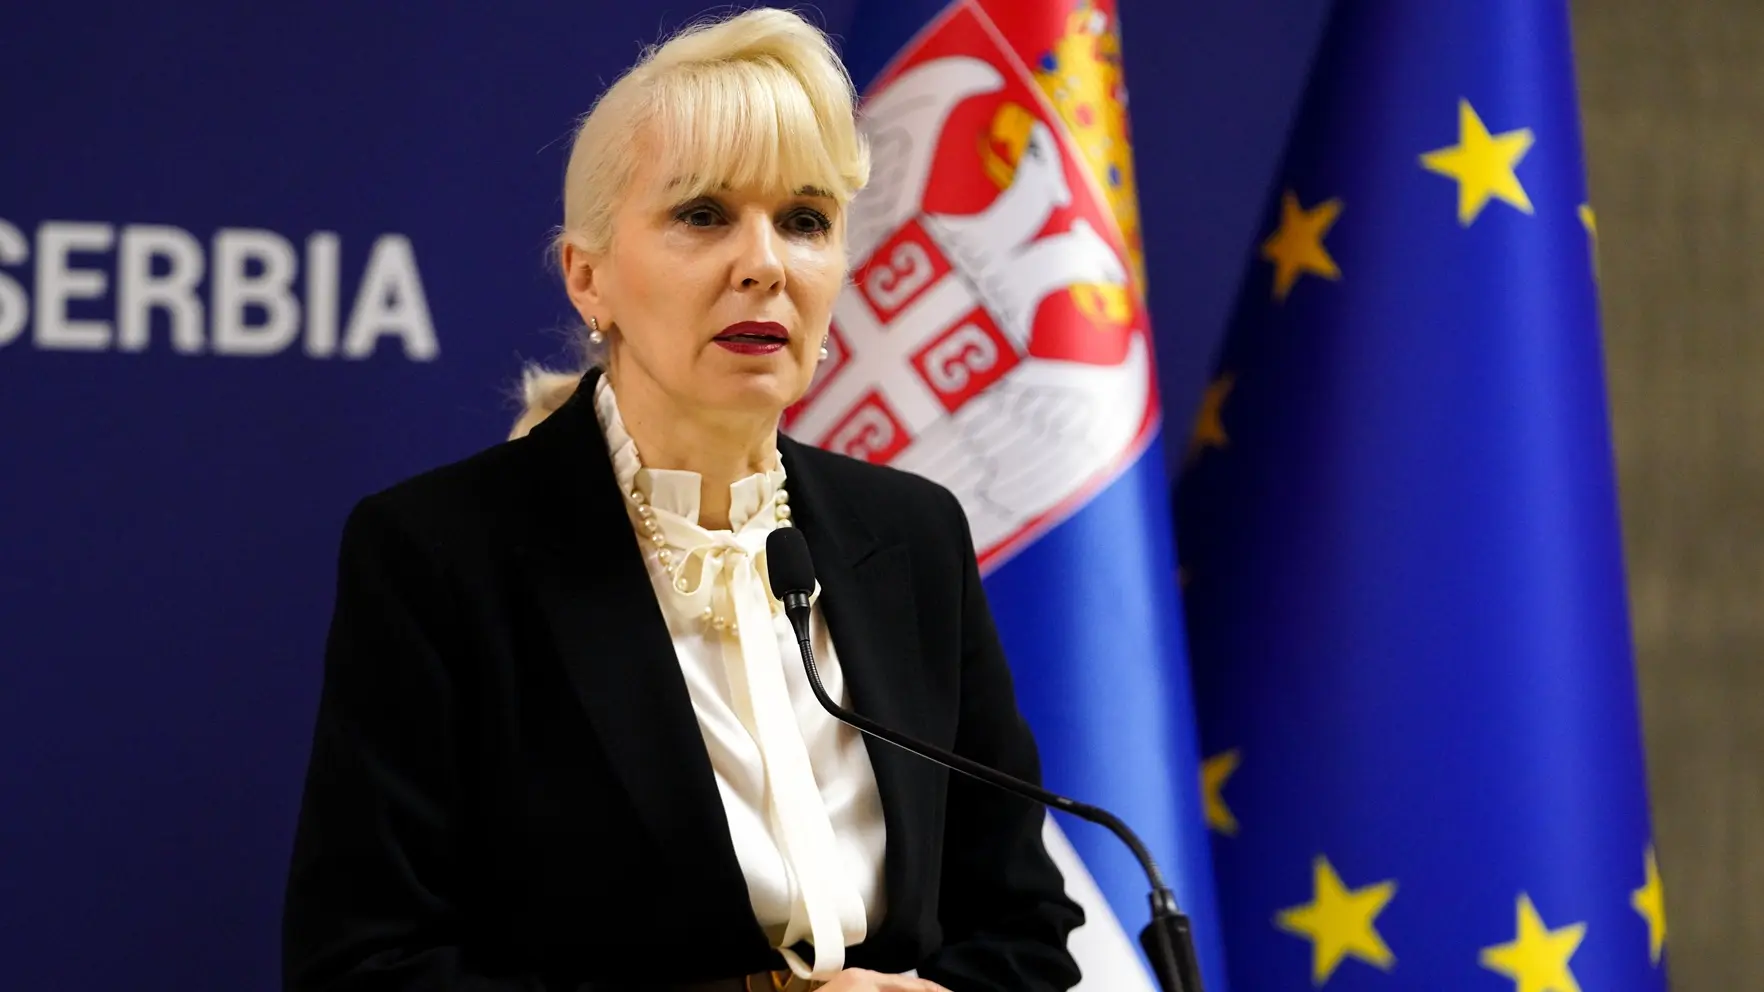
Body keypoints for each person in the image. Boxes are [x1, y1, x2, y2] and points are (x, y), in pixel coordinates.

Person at [281, 8, 1083, 991]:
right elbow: (366, 964)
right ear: (589, 279)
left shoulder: (912, 536)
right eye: (703, 215)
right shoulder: (442, 554)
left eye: (805, 221)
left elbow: (1025, 926)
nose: (765, 264)